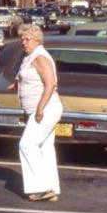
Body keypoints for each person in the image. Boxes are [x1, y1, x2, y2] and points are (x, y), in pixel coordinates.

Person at [9, 25, 63, 202]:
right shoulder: (30, 56)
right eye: (22, 39)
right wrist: (17, 85)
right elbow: (28, 77)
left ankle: (40, 188)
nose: (23, 42)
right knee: (44, 148)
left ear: (37, 40)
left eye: (27, 39)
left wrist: (40, 108)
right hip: (38, 109)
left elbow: (51, 84)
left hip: (45, 109)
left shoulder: (40, 57)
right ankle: (51, 188)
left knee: (27, 145)